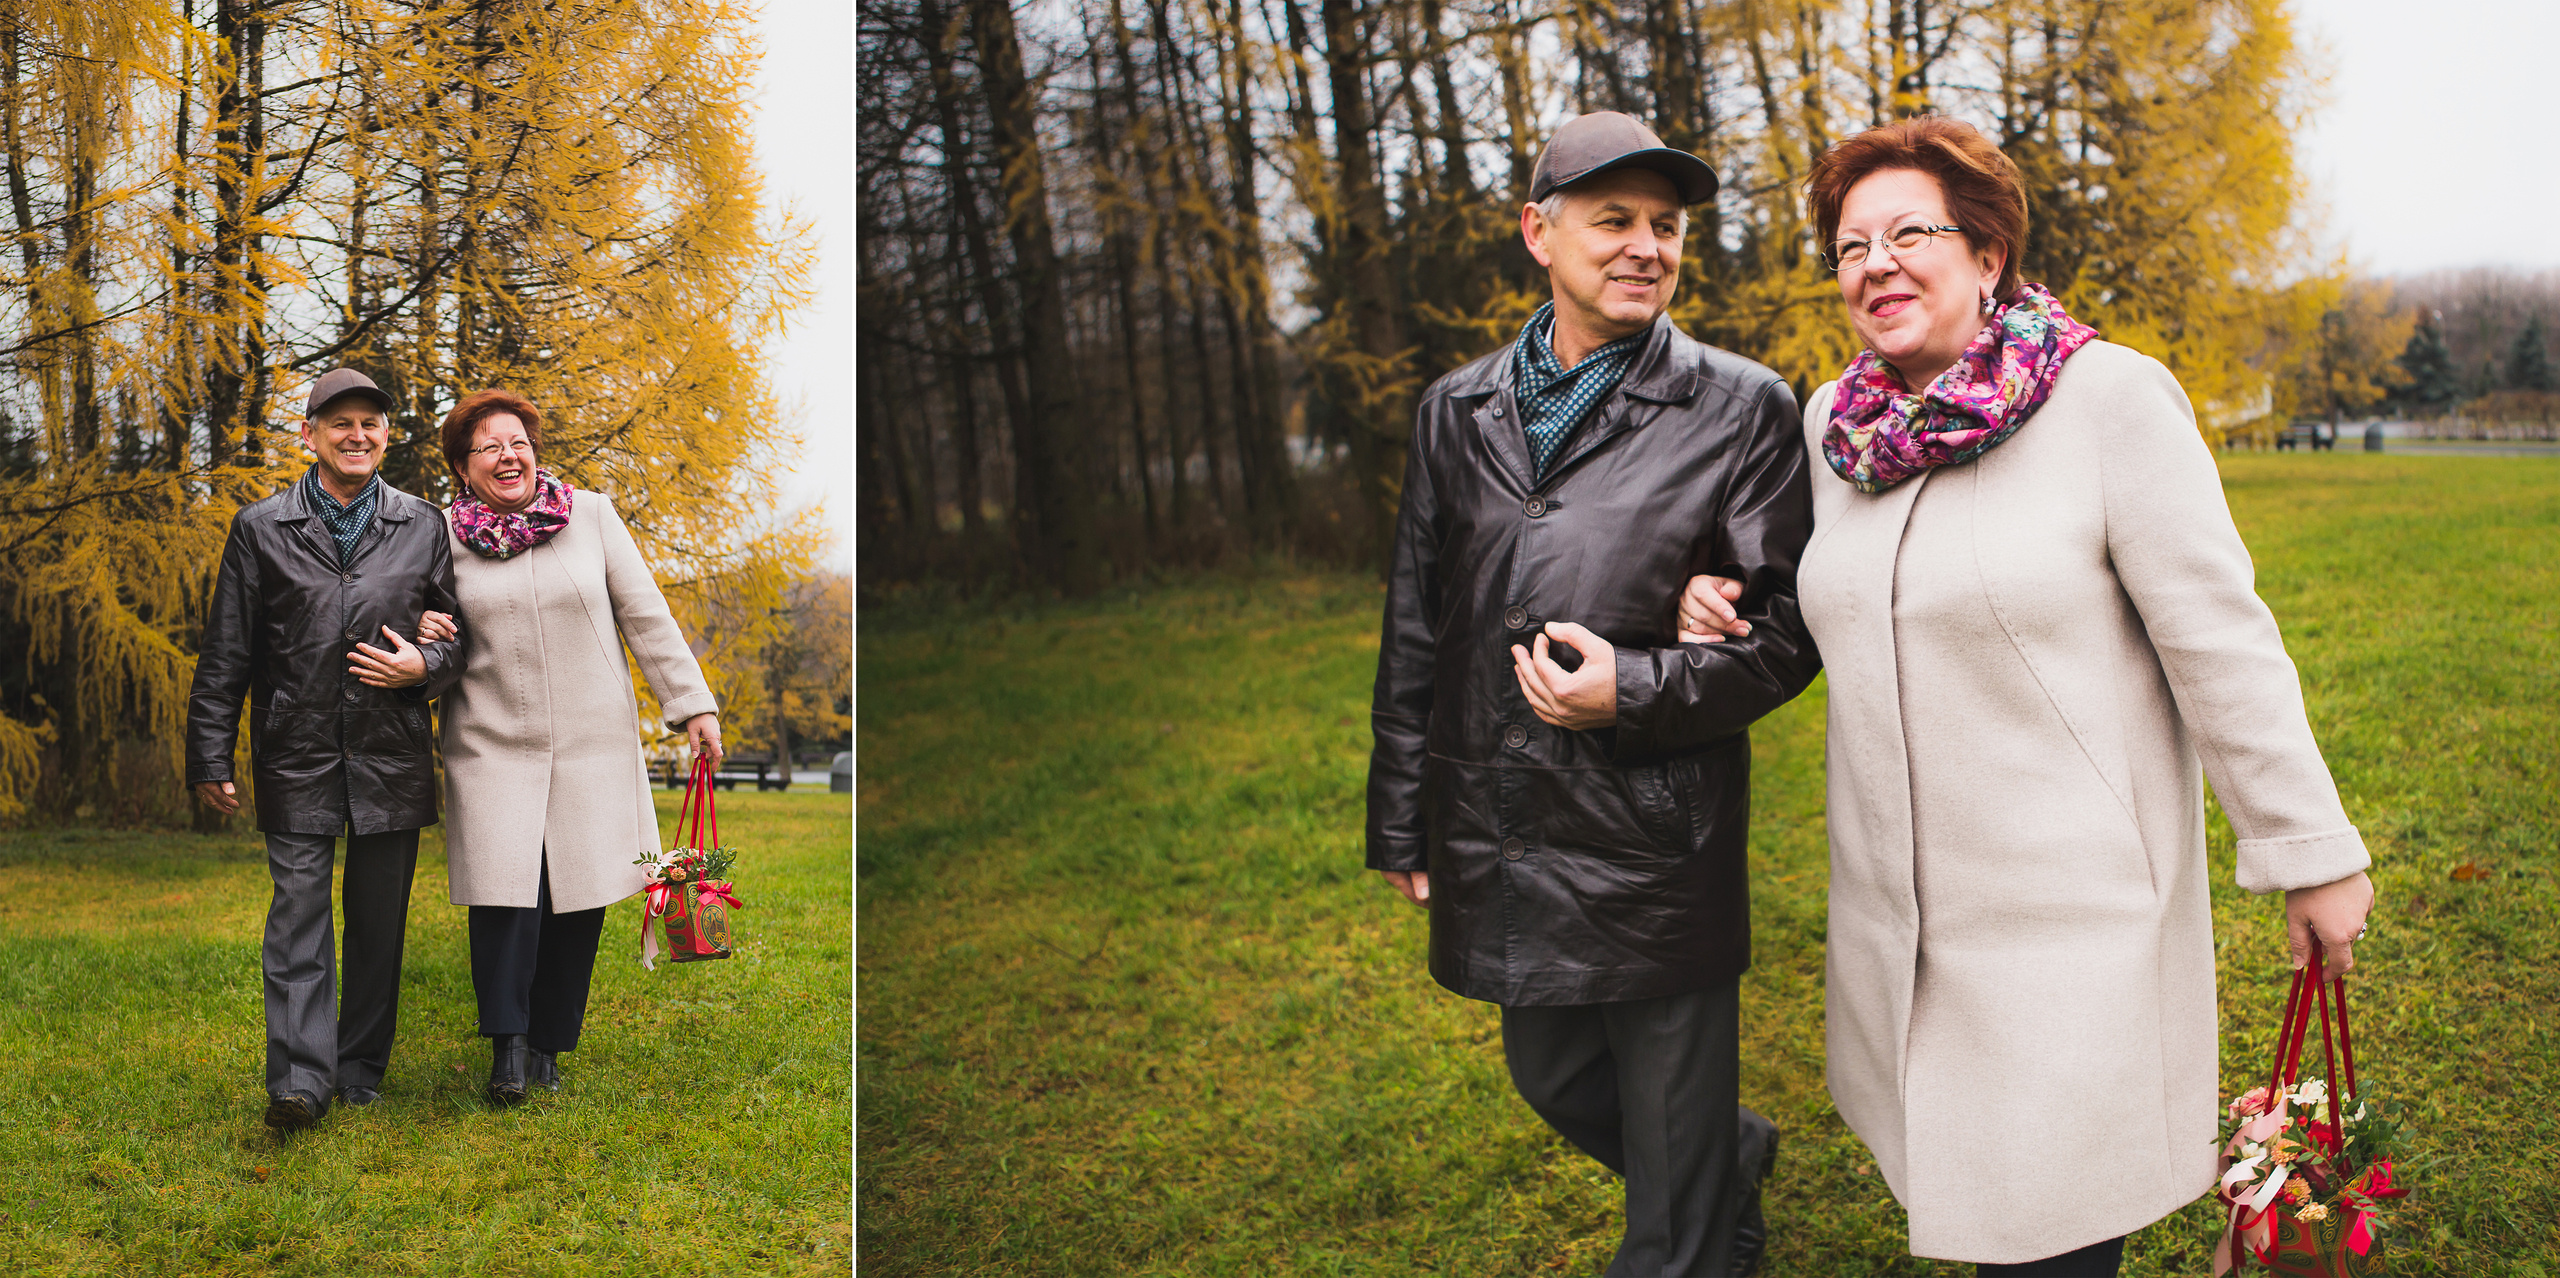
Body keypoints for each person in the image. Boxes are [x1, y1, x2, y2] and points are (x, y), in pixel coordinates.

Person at [1673, 116, 2375, 1277]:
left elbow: (2219, 637)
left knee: (2047, 1231)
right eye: (1850, 247)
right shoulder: (1832, 428)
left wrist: (2308, 849)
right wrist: (1722, 597)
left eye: (1910, 233)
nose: (1875, 264)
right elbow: (1820, 599)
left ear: (1988, 255)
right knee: (1973, 1195)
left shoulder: (2107, 401)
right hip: (1902, 925)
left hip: (2067, 927)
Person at [1365, 111, 1822, 1277]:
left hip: (1653, 827)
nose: (1644, 247)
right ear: (1539, 232)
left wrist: (1640, 686)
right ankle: (1722, 1161)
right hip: (1502, 819)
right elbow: (1419, 619)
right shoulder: (1454, 411)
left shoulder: (1740, 407)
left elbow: (1786, 633)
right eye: (1612, 220)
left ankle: (1699, 1220)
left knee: (1668, 1236)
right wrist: (1402, 809)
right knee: (1554, 1073)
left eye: (1664, 226)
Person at [415, 389, 722, 1105]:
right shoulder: (439, 536)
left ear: (535, 451)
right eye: (488, 447)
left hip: (589, 741)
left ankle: (550, 1041)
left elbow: (645, 614)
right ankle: (507, 1047)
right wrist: (428, 633)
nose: (507, 455)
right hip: (491, 741)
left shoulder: (591, 516)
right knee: (504, 897)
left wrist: (692, 706)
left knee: (575, 898)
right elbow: (422, 623)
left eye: (517, 441)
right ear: (464, 468)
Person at [187, 367, 465, 1132]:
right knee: (298, 917)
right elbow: (226, 654)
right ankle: (301, 1081)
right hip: (295, 748)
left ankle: (362, 1067)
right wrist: (210, 755)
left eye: (370, 423)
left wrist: (424, 666)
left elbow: (457, 636)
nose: (358, 435)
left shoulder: (422, 523)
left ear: (385, 435)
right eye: (340, 422)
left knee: (379, 923)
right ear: (309, 435)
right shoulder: (260, 528)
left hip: (391, 749)